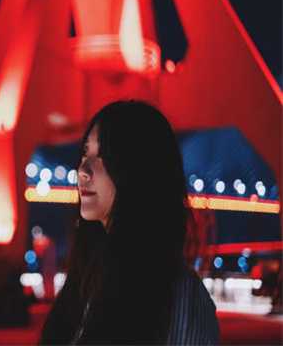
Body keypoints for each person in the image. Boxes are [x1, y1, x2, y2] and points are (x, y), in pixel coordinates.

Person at [39, 100, 219, 345]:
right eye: (85, 153)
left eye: (103, 156)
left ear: (140, 170)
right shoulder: (87, 279)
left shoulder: (180, 295)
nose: (83, 170)